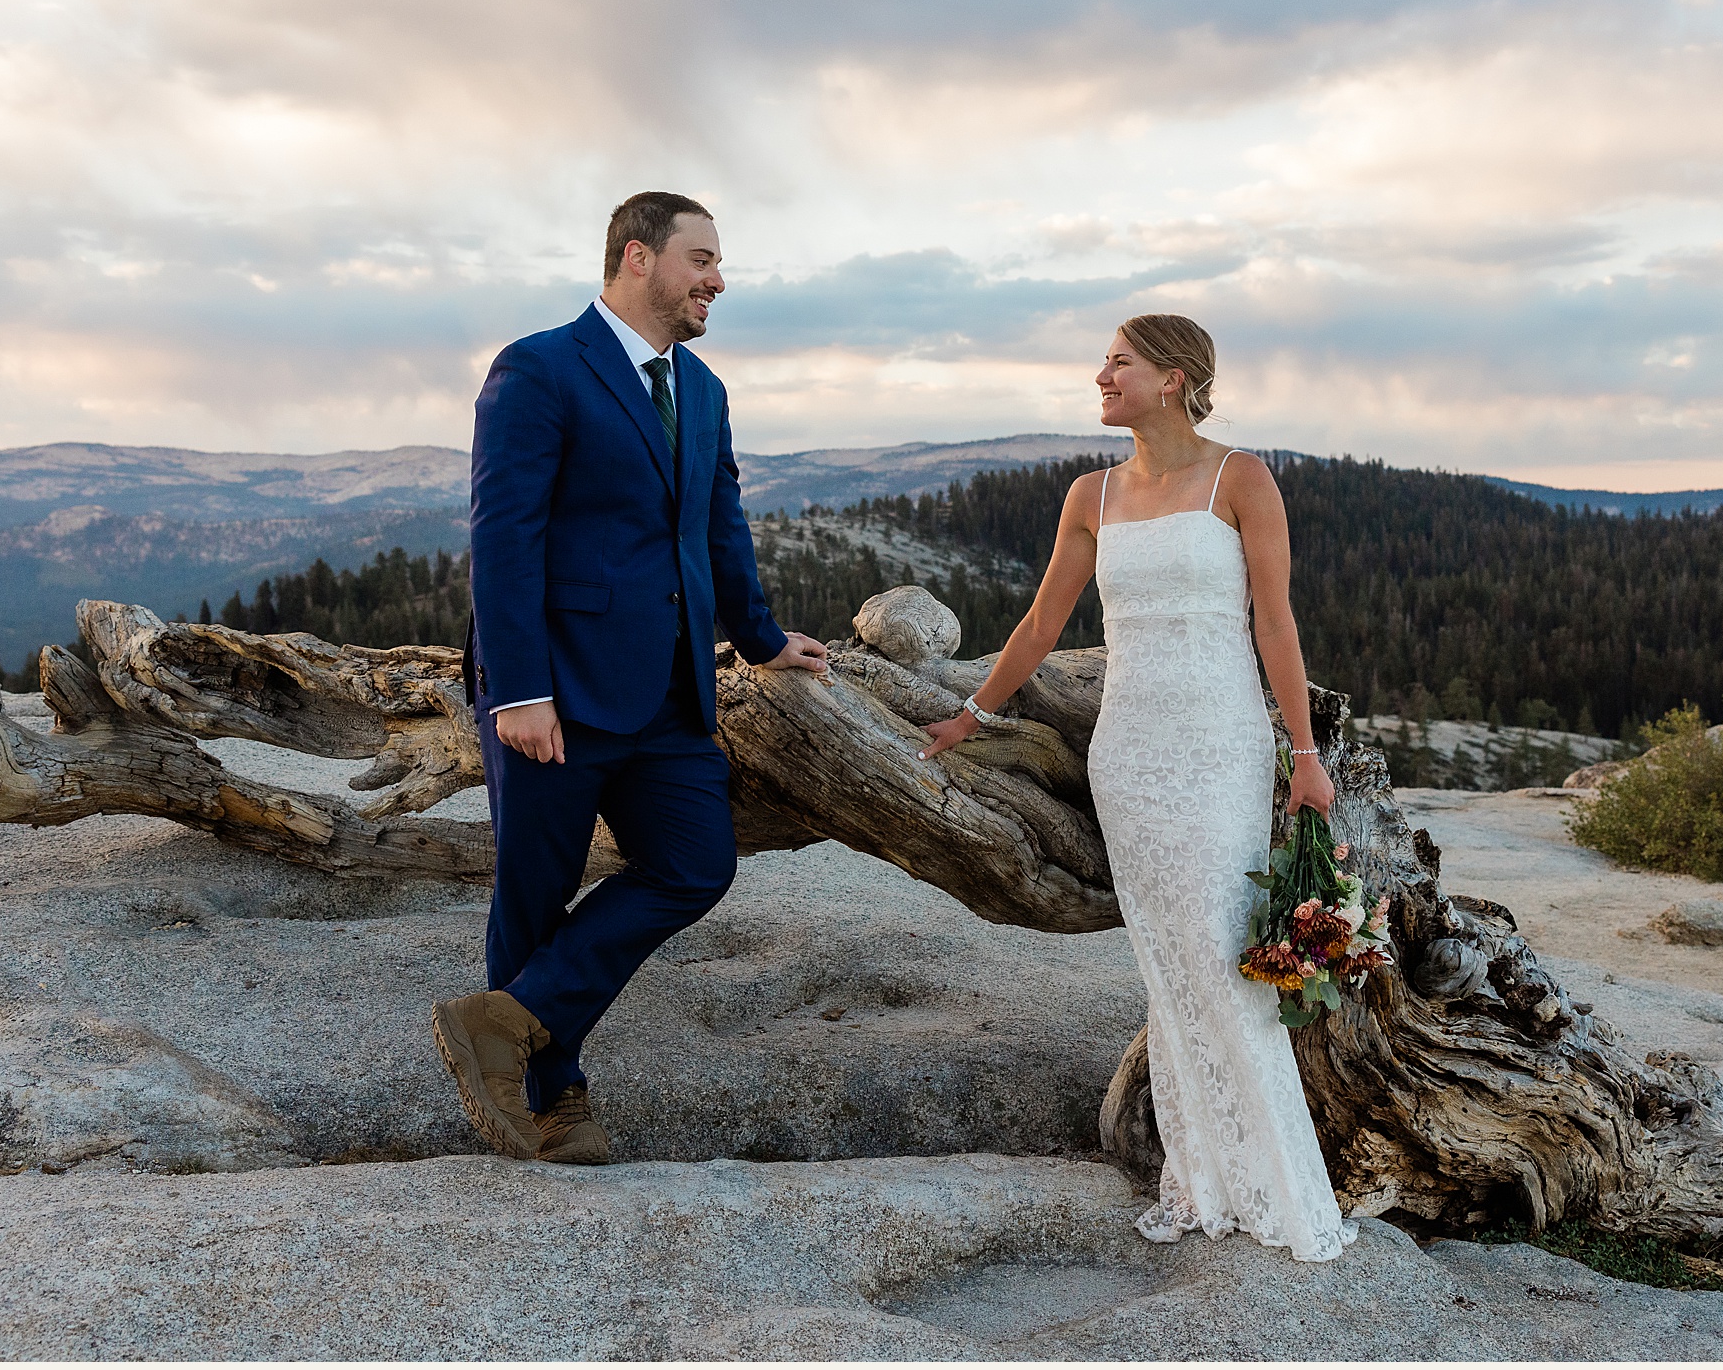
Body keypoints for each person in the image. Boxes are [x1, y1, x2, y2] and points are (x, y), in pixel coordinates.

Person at [919, 313, 1354, 1262]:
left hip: (1219, 742)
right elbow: (1039, 625)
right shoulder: (1092, 492)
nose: (1101, 374)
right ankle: (1203, 1178)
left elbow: (1274, 626)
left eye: (1119, 362)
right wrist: (972, 718)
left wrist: (1307, 755)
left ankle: (1278, 1186)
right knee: (1168, 961)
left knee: (1219, 953)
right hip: (1131, 752)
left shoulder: (1241, 478)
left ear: (1175, 376)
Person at [436, 190, 830, 1163]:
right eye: (701, 259)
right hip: (555, 689)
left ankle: (508, 1017)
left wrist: (763, 637)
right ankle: (550, 1096)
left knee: (695, 862)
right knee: (535, 891)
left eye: (718, 262)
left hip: (668, 691)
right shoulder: (537, 367)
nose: (717, 279)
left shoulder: (702, 389)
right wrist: (519, 687)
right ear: (635, 257)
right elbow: (503, 531)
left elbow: (718, 526)